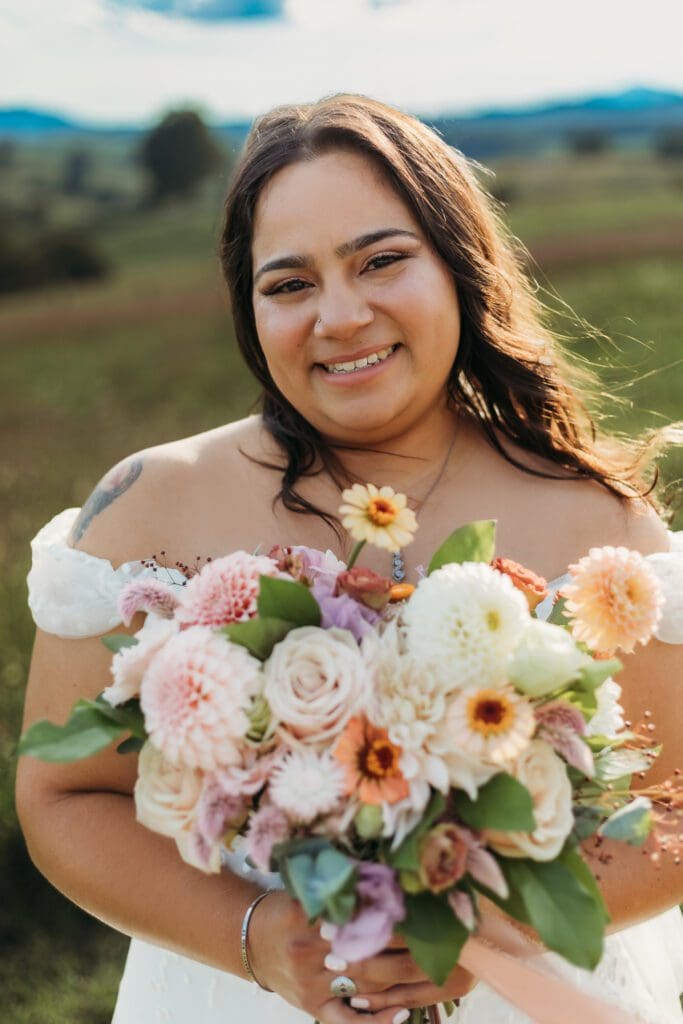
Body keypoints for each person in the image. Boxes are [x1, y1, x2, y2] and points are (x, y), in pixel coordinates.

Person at [16, 94, 683, 1024]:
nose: (339, 315)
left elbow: (673, 811)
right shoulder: (144, 512)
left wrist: (477, 929)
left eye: (380, 260)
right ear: (249, 307)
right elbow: (62, 794)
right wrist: (257, 937)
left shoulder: (596, 526)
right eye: (288, 284)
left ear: (458, 265)